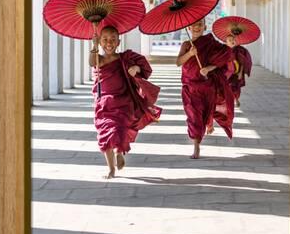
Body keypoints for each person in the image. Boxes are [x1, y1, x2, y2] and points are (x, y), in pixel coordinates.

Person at [89, 25, 161, 178]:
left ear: (119, 42)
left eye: (113, 39)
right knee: (105, 134)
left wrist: (136, 68)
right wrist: (93, 46)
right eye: (105, 40)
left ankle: (119, 151)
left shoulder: (125, 58)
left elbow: (144, 67)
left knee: (120, 130)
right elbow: (91, 62)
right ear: (100, 42)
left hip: (123, 102)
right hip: (104, 104)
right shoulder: (99, 59)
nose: (109, 43)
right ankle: (111, 169)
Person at [176, 19, 234, 158]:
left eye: (200, 25)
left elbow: (222, 59)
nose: (197, 27)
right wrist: (190, 54)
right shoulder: (186, 45)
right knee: (194, 116)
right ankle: (196, 147)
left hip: (207, 86)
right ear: (189, 27)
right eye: (194, 24)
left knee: (206, 110)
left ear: (205, 26)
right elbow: (178, 62)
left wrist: (208, 68)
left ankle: (208, 121)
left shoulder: (210, 43)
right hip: (190, 86)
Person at [225, 35, 253, 107]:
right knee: (228, 87)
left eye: (233, 39)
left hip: (236, 73)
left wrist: (240, 72)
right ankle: (229, 100)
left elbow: (242, 62)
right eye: (230, 40)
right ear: (226, 42)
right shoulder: (224, 50)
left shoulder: (238, 50)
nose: (232, 41)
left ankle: (236, 98)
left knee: (236, 87)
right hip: (227, 73)